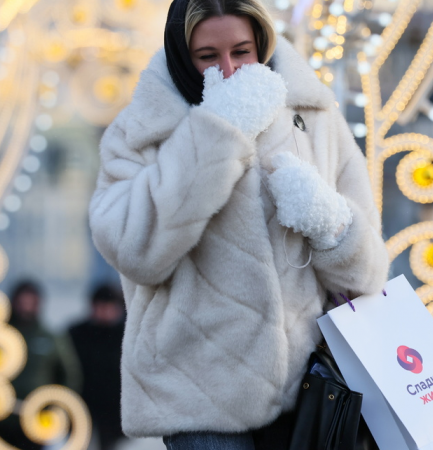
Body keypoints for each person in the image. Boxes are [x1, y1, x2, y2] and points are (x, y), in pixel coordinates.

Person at [87, 0, 391, 448]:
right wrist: (216, 135)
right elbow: (136, 254)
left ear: (263, 44)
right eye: (208, 56)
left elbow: (367, 276)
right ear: (181, 53)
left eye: (242, 51)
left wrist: (328, 221)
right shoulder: (138, 132)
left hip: (308, 385)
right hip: (194, 391)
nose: (228, 70)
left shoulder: (316, 117)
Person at [0, 280, 83, 450]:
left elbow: (69, 375)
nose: (26, 306)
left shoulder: (50, 337)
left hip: (35, 419)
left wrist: (55, 407)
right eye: (22, 301)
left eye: (30, 301)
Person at [68, 284, 127, 450]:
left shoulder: (125, 334)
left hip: (114, 408)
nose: (106, 311)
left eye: (110, 306)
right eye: (102, 306)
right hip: (82, 403)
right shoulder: (77, 333)